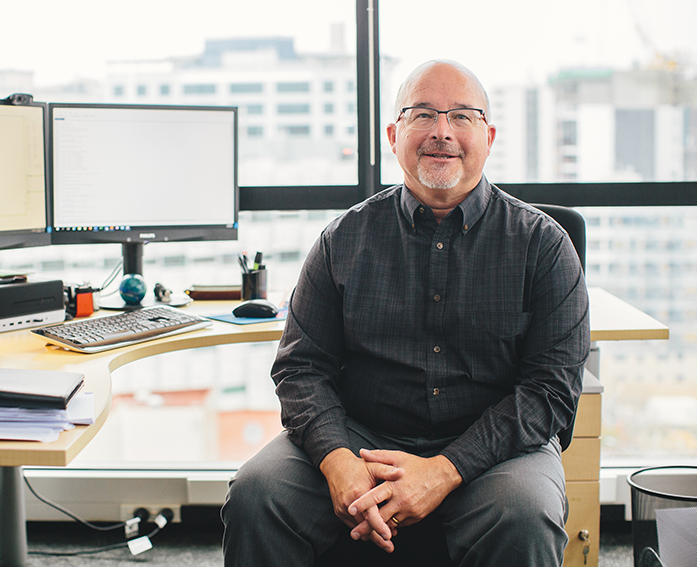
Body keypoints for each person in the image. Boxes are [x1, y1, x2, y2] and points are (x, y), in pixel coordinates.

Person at [221, 59, 590, 566]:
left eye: (462, 116)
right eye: (422, 115)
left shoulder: (543, 246)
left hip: (491, 450)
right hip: (361, 437)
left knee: (524, 513)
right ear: (394, 135)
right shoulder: (342, 240)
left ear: (489, 135)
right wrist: (337, 461)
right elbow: (301, 368)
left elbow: (551, 393)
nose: (442, 132)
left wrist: (444, 469)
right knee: (257, 492)